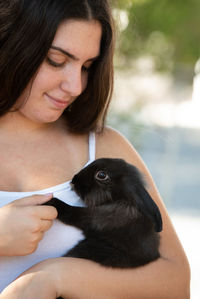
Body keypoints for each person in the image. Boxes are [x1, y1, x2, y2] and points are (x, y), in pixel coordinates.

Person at [0, 0, 190, 298]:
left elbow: (176, 282)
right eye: (56, 60)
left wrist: (52, 276)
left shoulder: (104, 148)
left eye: (87, 66)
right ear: (12, 41)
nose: (76, 86)